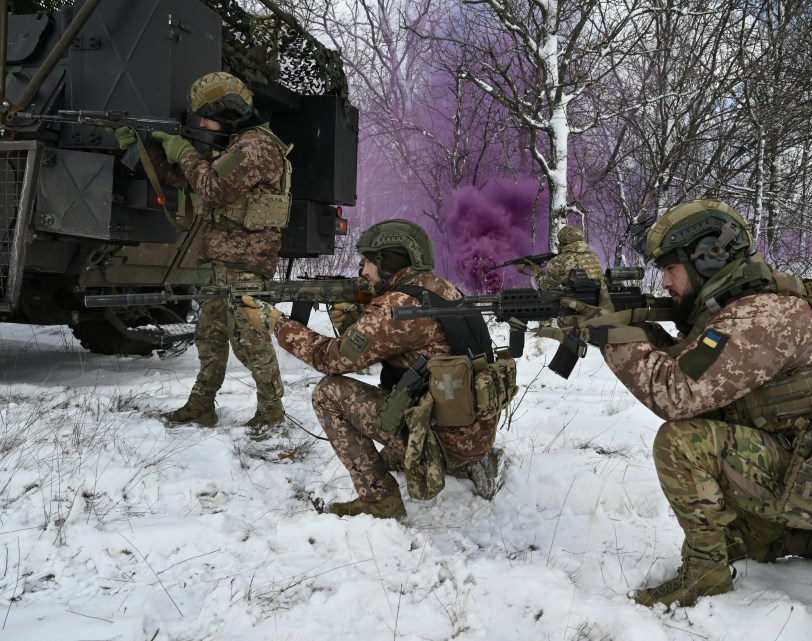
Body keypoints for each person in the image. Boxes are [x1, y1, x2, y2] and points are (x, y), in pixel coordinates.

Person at [541, 199, 812, 628]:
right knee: (736, 532)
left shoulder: (761, 316)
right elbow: (694, 362)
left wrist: (609, 335)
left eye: (670, 268)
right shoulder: (763, 300)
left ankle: (707, 575)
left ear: (708, 259)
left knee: (683, 441)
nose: (664, 281)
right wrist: (628, 324)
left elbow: (674, 392)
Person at [240, 219, 506, 519]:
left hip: (441, 438)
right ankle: (467, 462)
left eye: (368, 262)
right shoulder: (441, 287)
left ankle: (380, 500)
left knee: (328, 393)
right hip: (474, 432)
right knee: (390, 453)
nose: (363, 271)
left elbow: (328, 359)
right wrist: (354, 323)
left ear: (389, 261)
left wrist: (276, 324)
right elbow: (398, 351)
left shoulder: (396, 306)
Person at [112, 71, 292, 439]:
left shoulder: (256, 147)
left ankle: (272, 414)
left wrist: (184, 150)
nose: (204, 124)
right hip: (222, 260)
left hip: (245, 263)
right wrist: (140, 149)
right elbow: (187, 179)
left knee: (250, 341)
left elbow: (211, 189)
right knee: (209, 336)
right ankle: (201, 405)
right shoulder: (237, 143)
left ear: (230, 112)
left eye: (208, 117)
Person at [526, 224, 603, 288]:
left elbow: (544, 285)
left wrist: (535, 268)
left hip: (573, 302)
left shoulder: (558, 260)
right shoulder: (592, 256)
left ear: (562, 242)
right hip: (596, 301)